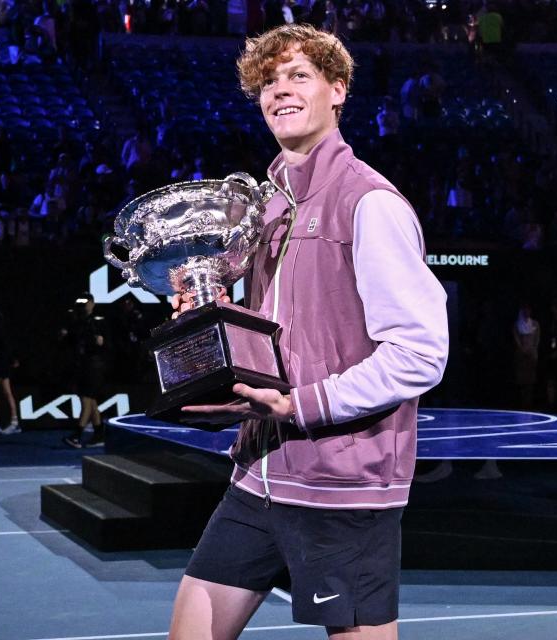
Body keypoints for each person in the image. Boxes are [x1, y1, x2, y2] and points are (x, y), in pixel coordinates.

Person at [168, 24, 449, 640]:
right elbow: (272, 336)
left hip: (341, 484)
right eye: (268, 81)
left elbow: (420, 354)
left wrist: (304, 403)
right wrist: (207, 323)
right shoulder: (262, 210)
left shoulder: (369, 203)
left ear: (337, 90)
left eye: (299, 75)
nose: (280, 91)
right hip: (261, 466)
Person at [61, 293, 108, 448]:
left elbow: (100, 343)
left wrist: (97, 341)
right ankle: (99, 434)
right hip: (83, 365)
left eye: (85, 303)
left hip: (93, 366)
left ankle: (77, 436)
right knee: (91, 400)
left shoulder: (96, 322)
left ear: (92, 304)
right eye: (80, 303)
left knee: (86, 400)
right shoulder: (77, 322)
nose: (83, 306)